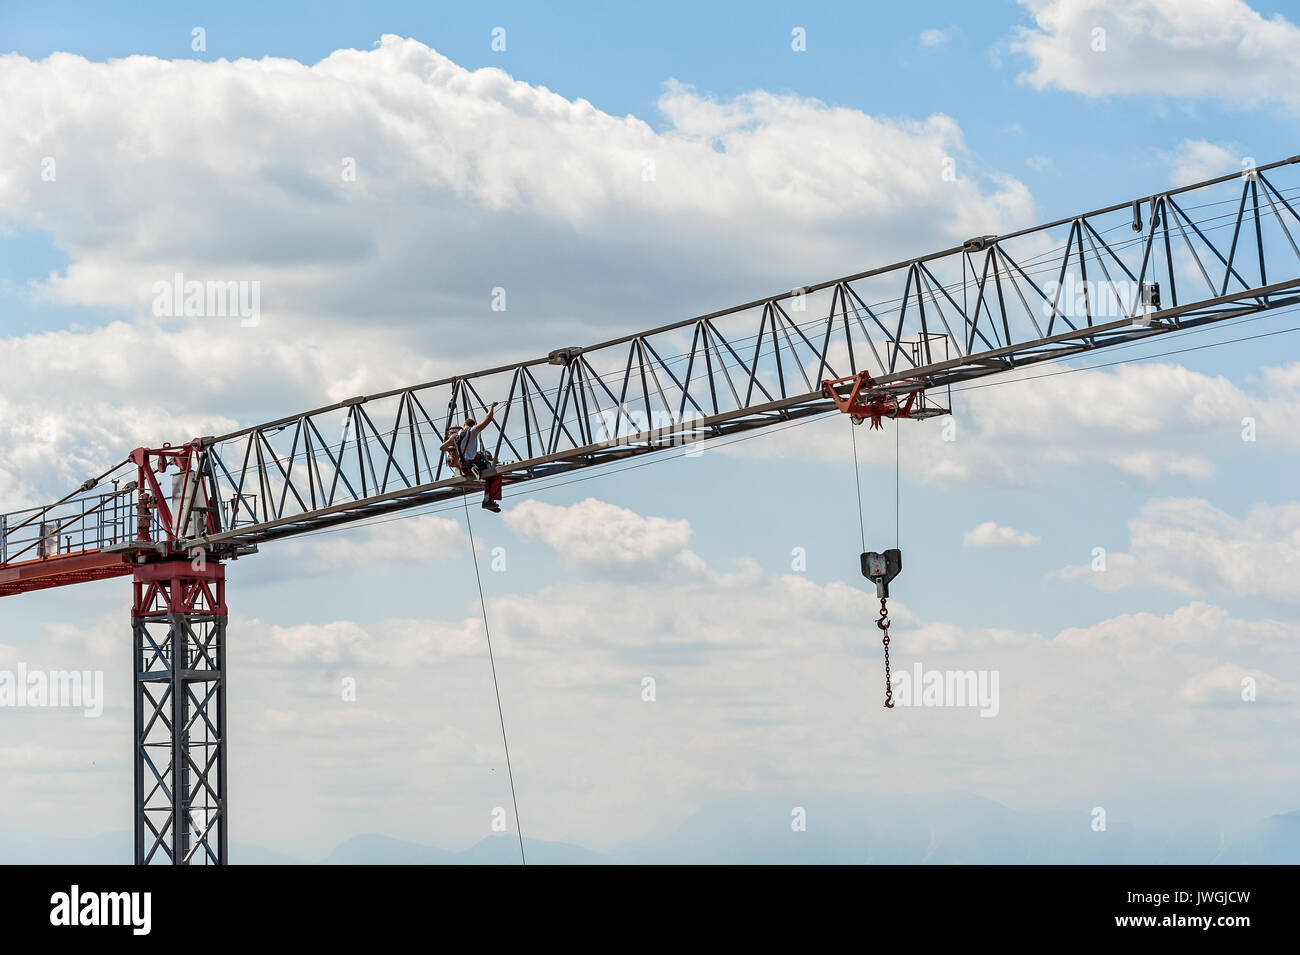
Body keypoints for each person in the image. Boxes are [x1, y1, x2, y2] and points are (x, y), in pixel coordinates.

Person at [442, 403, 503, 512]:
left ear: (464, 425)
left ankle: (487, 500)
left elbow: (442, 448)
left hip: (464, 468)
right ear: (471, 425)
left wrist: (453, 448)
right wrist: (491, 408)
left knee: (489, 476)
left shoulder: (455, 436)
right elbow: (488, 420)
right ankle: (487, 501)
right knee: (495, 475)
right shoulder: (472, 431)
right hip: (472, 466)